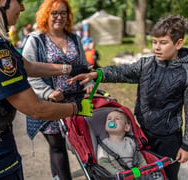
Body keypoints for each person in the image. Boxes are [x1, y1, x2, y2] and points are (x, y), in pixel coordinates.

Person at [0, 0, 93, 179]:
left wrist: (69, 69)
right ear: (1, 2)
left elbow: (26, 66)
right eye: (20, 1)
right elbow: (36, 109)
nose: (23, 8)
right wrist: (77, 108)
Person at [69, 14, 188, 180]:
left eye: (163, 42)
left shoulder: (185, 73)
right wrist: (97, 74)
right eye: (154, 42)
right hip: (143, 134)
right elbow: (121, 72)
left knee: (167, 176)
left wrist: (186, 146)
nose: (157, 47)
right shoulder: (146, 64)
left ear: (179, 43)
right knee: (145, 175)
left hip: (169, 140)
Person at [22, 0, 94, 179]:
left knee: (81, 144)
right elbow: (27, 72)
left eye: (63, 13)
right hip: (49, 103)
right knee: (57, 146)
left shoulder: (74, 38)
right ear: (46, 14)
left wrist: (88, 83)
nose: (59, 17)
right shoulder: (36, 39)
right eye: (54, 13)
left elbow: (83, 66)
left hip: (75, 101)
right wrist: (47, 92)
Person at [97, 110, 163, 179]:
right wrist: (118, 173)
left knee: (157, 175)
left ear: (127, 127)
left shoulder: (130, 141)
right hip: (119, 175)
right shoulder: (104, 144)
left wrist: (146, 170)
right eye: (109, 119)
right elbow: (103, 162)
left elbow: (139, 158)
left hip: (135, 172)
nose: (112, 120)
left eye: (117, 119)